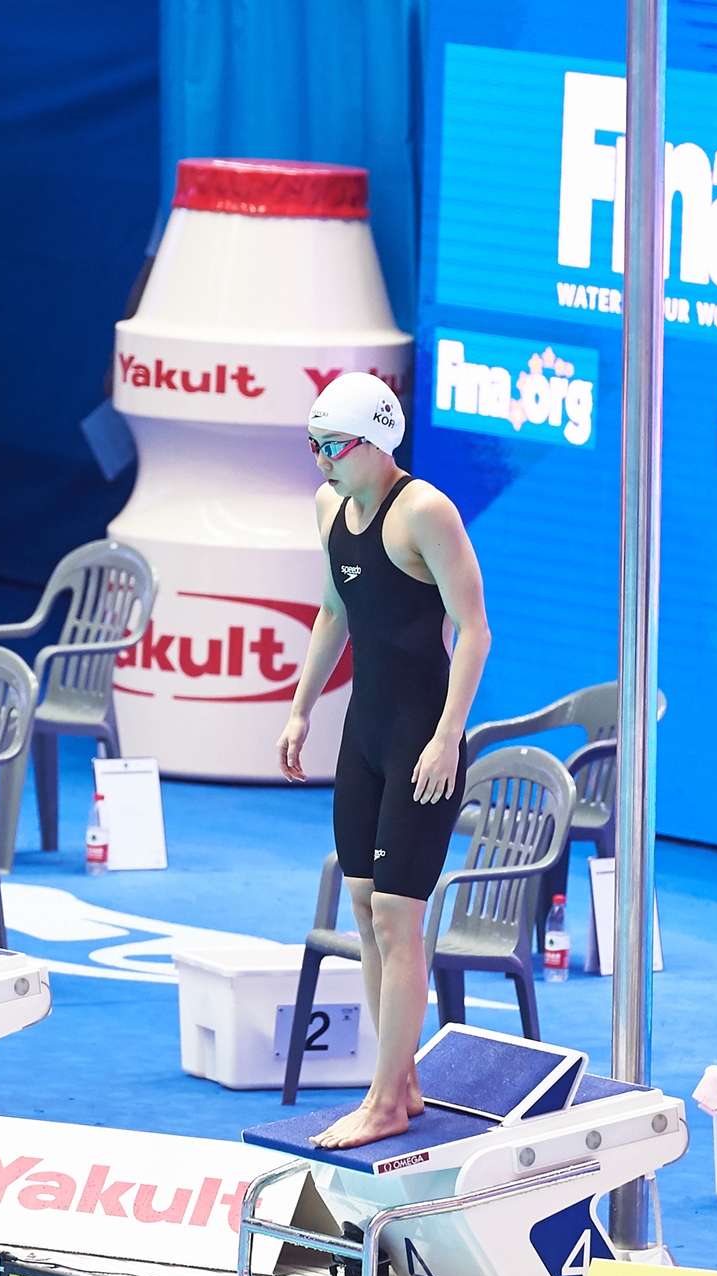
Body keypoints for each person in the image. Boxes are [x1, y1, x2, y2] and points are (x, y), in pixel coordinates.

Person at [276, 371, 491, 1150]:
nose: (321, 460)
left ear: (376, 440)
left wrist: (448, 735)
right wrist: (300, 708)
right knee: (366, 912)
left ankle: (383, 1100)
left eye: (333, 446)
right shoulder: (328, 507)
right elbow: (334, 610)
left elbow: (474, 629)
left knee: (400, 919)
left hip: (420, 742)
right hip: (363, 735)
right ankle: (400, 1082)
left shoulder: (425, 511)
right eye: (314, 445)